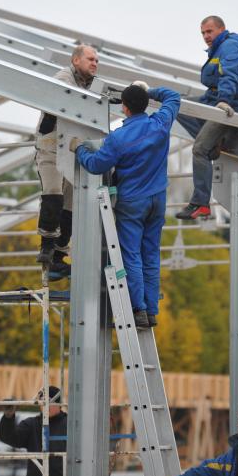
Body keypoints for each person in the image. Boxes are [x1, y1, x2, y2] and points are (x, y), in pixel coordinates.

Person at [72, 82, 180, 328]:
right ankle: (151, 310)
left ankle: (138, 310)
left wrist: (79, 150)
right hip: (157, 200)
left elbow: (96, 165)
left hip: (132, 202)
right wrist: (147, 90)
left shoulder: (118, 138)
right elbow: (172, 96)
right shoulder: (161, 123)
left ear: (125, 108)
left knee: (131, 254)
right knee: (150, 253)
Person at [176, 15, 238, 220]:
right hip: (214, 100)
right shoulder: (218, 48)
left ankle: (200, 203)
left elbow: (231, 75)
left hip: (233, 105)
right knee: (179, 105)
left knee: (199, 149)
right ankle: (215, 143)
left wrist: (224, 100)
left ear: (222, 29)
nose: (205, 36)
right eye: (203, 33)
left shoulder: (230, 47)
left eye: (209, 31)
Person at [35, 44, 99, 278]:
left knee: (70, 202)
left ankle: (59, 256)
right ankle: (47, 246)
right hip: (52, 146)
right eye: (90, 59)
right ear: (76, 61)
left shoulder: (90, 84)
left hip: (72, 148)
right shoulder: (64, 78)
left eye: (96, 61)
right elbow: (65, 97)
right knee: (53, 193)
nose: (94, 63)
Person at [0, 386, 67, 476]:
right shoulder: (32, 425)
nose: (45, 405)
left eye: (50, 401)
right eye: (42, 401)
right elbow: (10, 437)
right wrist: (8, 417)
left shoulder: (70, 424)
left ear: (59, 404)